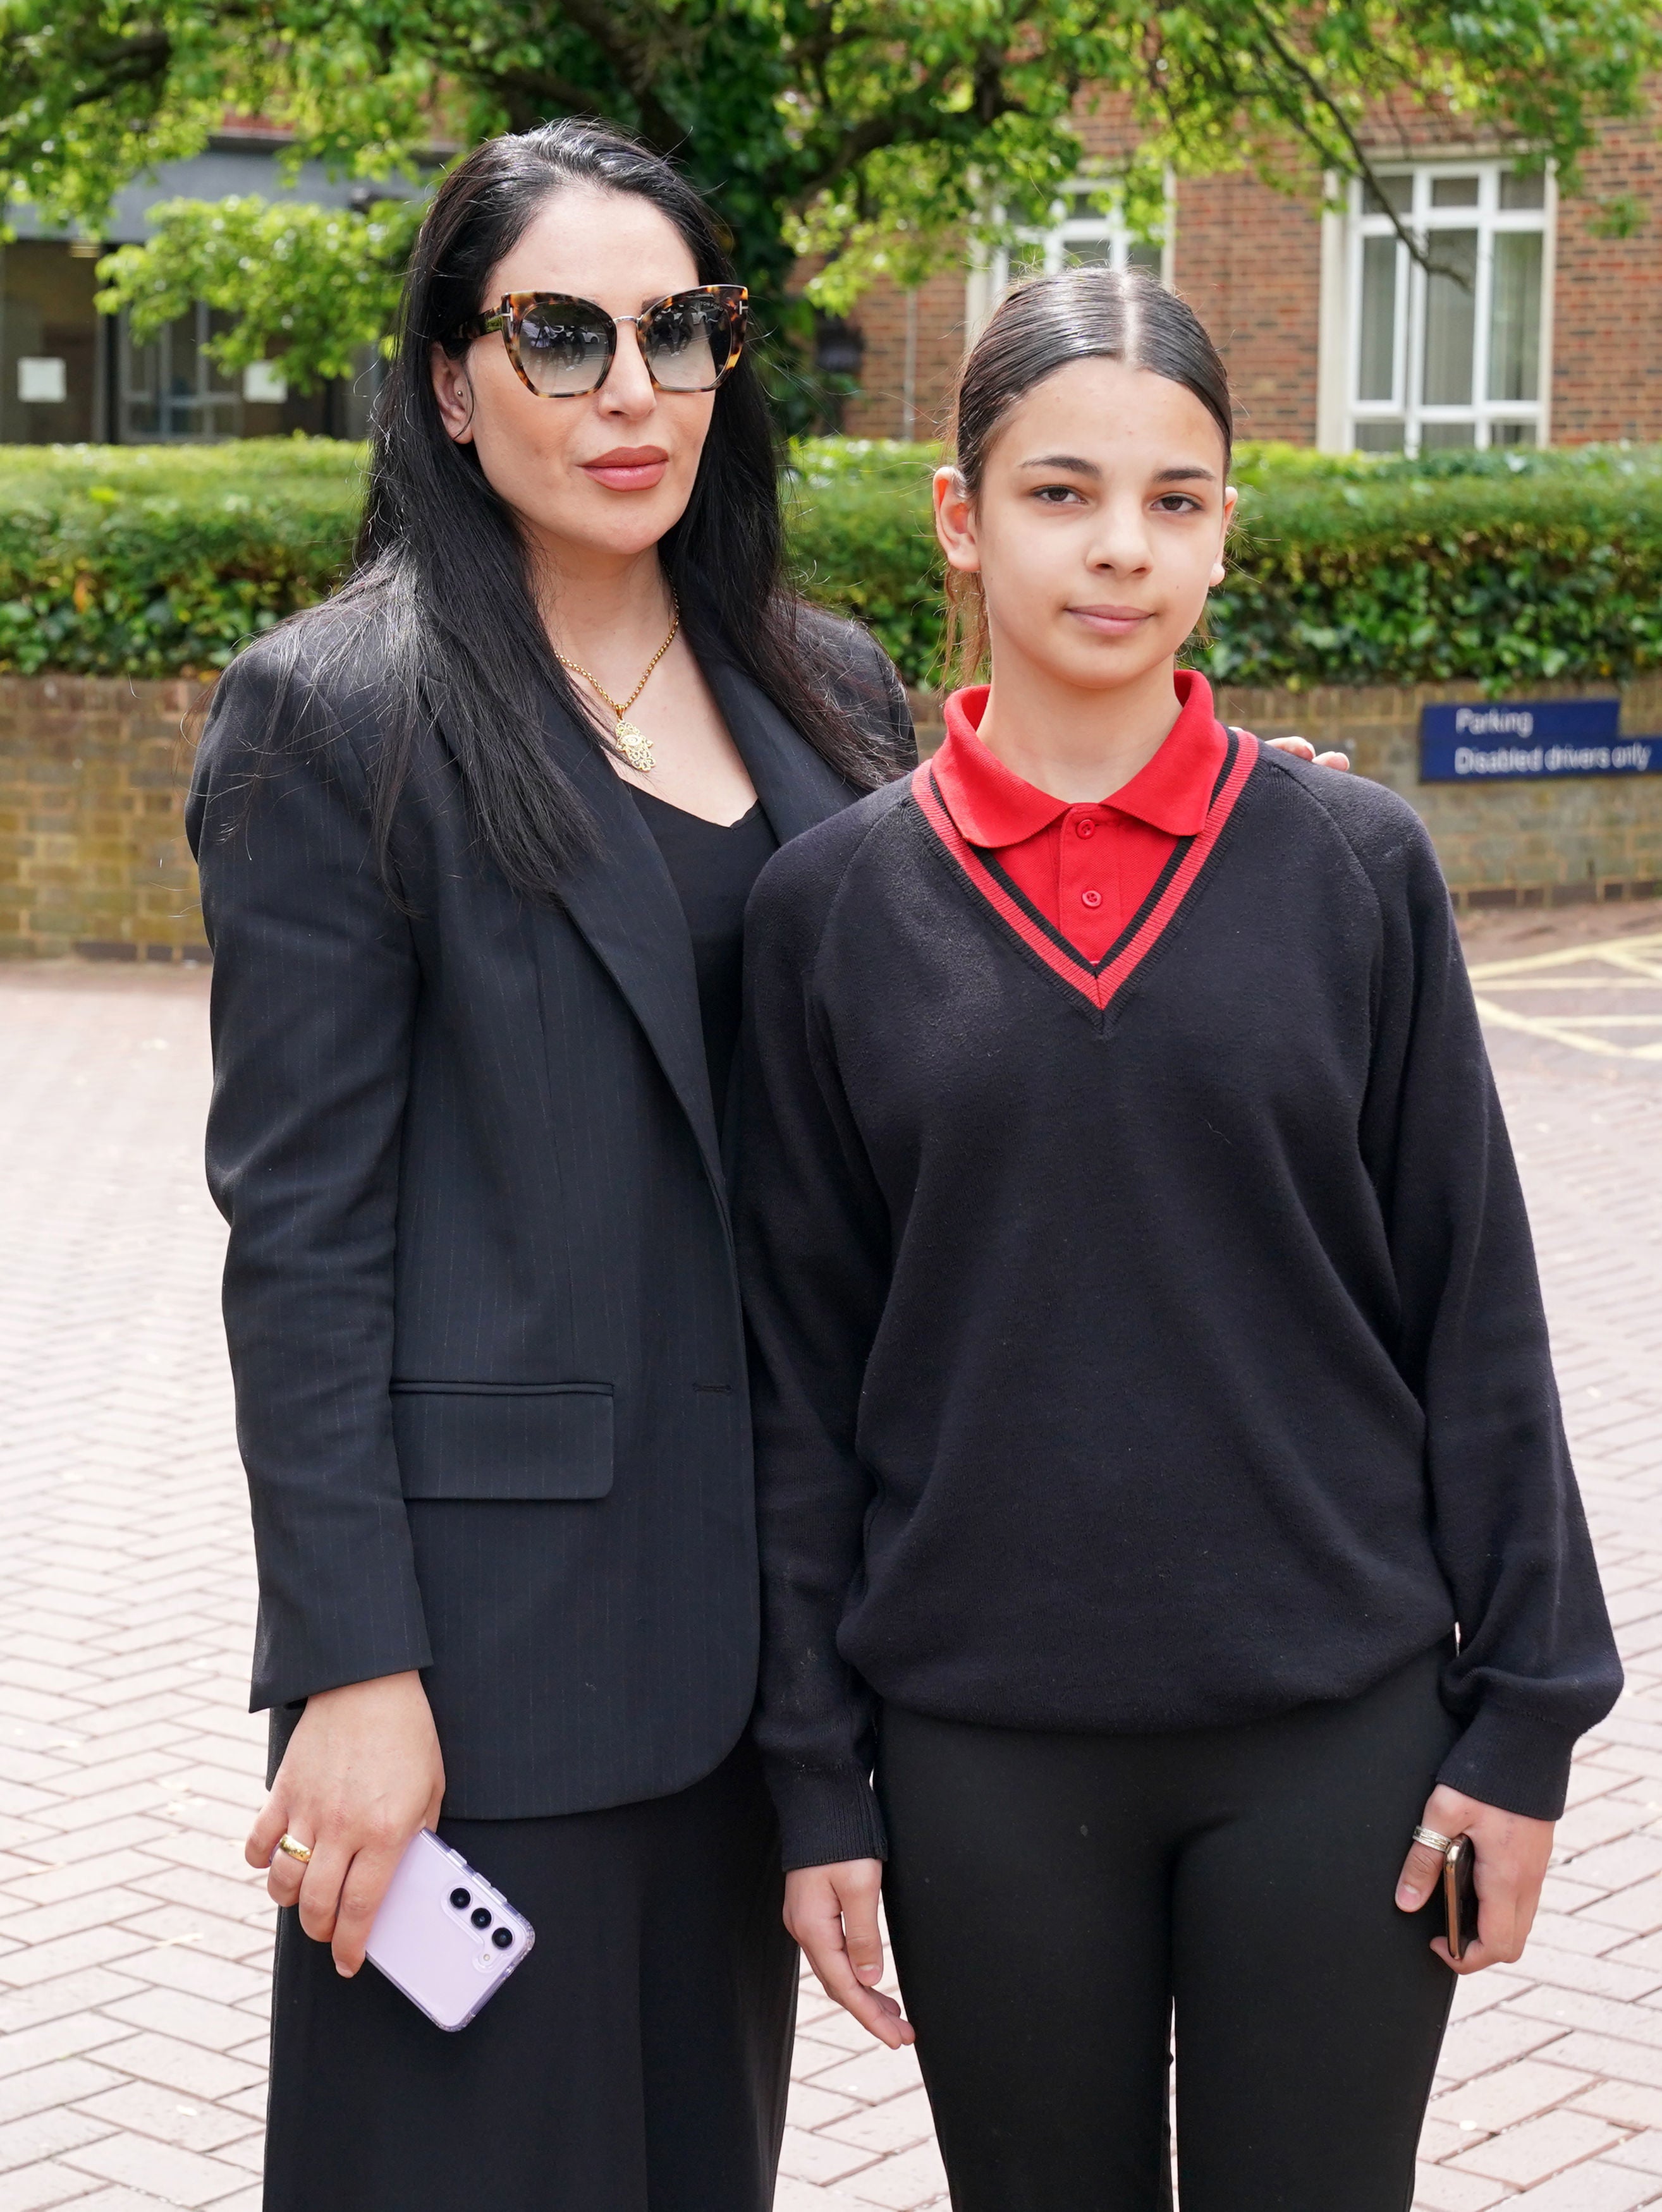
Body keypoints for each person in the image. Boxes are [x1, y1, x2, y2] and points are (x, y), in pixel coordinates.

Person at [737, 267, 1623, 2212]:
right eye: (1059, 493)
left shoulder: (1354, 867)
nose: (1121, 548)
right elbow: (798, 1382)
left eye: (1177, 497)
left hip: (1340, 1736)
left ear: (1230, 521)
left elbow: (1473, 1301)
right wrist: (816, 1770)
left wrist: (1532, 1721)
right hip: (980, 1743)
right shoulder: (829, 912)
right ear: (960, 519)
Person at [185, 120, 915, 2212]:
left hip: (764, 1664)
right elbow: (302, 1242)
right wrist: (350, 1665)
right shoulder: (340, 719)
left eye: (681, 332)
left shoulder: (824, 689)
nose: (632, 391)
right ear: (445, 377)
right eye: (563, 334)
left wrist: (1244, 834)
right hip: (471, 1680)